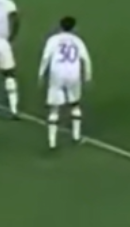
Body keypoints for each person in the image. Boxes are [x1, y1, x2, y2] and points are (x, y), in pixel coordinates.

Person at [39, 16, 92, 149]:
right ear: (74, 27)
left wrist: (41, 73)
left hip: (57, 72)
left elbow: (46, 57)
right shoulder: (78, 41)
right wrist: (87, 76)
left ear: (60, 26)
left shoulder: (53, 39)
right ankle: (76, 136)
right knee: (75, 104)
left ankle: (52, 142)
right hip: (73, 73)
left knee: (54, 108)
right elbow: (86, 59)